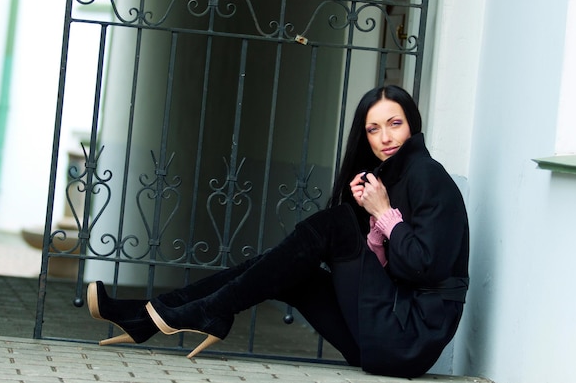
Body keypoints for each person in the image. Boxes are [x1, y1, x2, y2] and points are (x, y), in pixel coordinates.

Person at [87, 85, 469, 378]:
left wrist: (382, 214)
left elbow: (424, 267)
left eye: (394, 123)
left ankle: (197, 312)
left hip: (408, 338)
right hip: (377, 340)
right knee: (291, 272)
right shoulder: (390, 177)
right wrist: (374, 226)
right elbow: (393, 266)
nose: (385, 137)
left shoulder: (427, 175)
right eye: (373, 129)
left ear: (412, 124)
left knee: (334, 224)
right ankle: (155, 314)